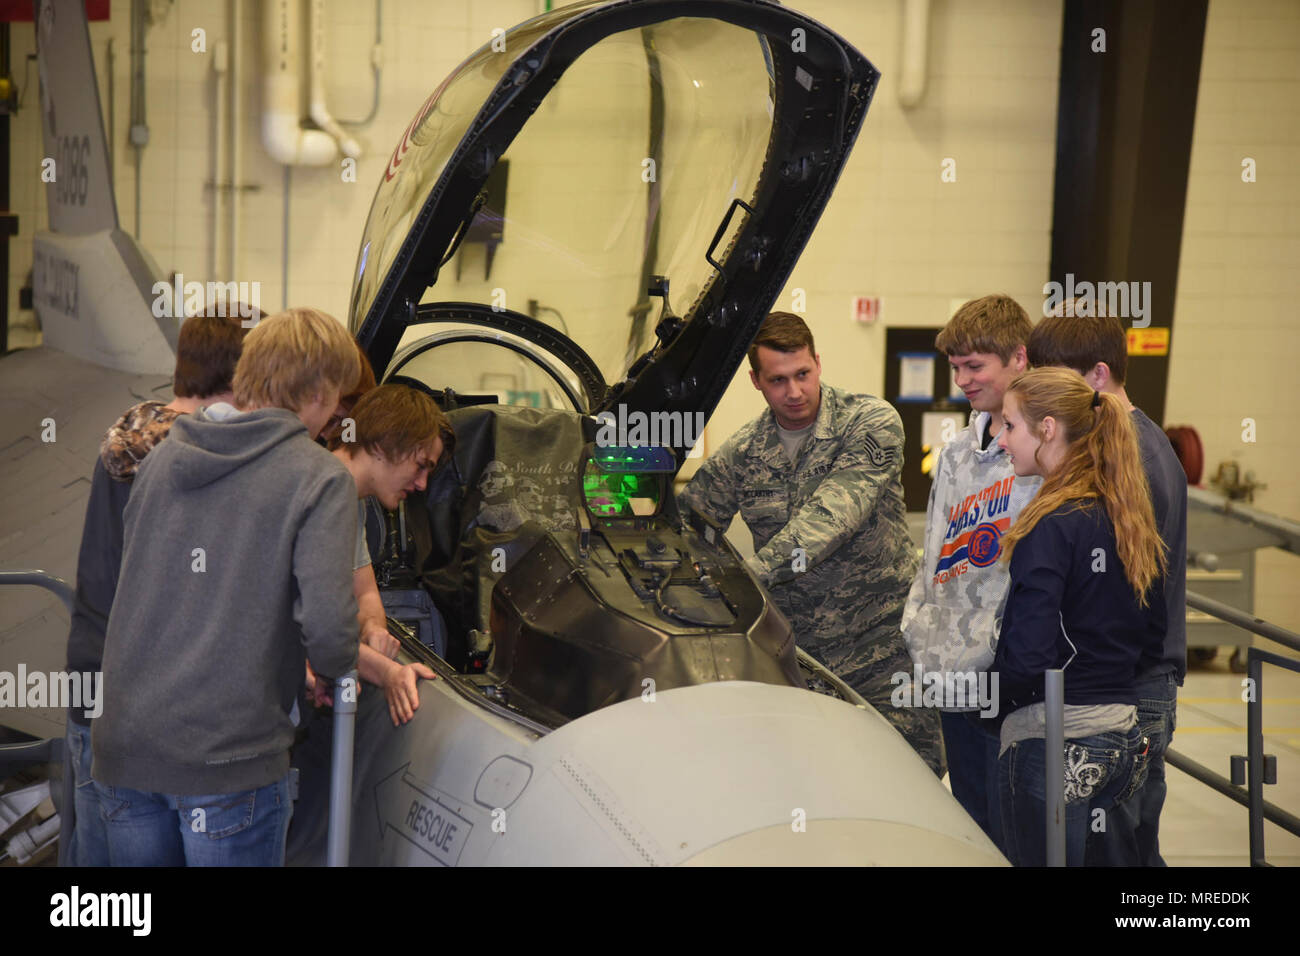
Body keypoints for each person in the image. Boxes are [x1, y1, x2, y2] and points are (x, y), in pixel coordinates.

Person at [92, 307, 362, 867]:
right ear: (319, 390)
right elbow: (331, 629)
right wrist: (332, 673)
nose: (337, 412)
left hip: (126, 750)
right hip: (226, 760)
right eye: (338, 395)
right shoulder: (318, 478)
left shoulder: (162, 460)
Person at [679, 312, 943, 775]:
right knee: (815, 786)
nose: (795, 392)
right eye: (778, 380)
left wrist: (747, 580)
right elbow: (688, 529)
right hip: (802, 662)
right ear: (755, 380)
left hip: (884, 648)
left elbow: (832, 518)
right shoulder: (741, 454)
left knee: (908, 777)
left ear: (818, 362)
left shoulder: (870, 422)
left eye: (803, 374)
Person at [63, 309, 252, 867]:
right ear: (239, 376)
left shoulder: (127, 434)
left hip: (91, 676)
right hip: (142, 699)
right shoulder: (196, 459)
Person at [1028, 305, 1187, 866]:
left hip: (1132, 687)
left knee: (1115, 852)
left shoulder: (1130, 458)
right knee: (1130, 847)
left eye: (1059, 380)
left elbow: (1120, 591)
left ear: (1098, 375)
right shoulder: (1139, 441)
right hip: (1137, 680)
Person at [993, 367, 1167, 866]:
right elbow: (1152, 634)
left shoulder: (1050, 525)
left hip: (1055, 743)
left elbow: (1027, 656)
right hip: (1121, 741)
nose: (1000, 439)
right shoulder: (1125, 512)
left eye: (1009, 426)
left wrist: (985, 702)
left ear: (1047, 428)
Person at [900, 294, 1041, 847]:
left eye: (973, 366)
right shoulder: (958, 449)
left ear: (1019, 360)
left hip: (1008, 672)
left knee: (1015, 829)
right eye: (954, 367)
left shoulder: (1041, 453)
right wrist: (920, 631)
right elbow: (935, 550)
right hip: (949, 667)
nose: (960, 379)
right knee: (972, 823)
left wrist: (1009, 657)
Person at [326, 383, 454, 726]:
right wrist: (385, 671)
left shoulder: (348, 502)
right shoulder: (316, 492)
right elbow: (310, 629)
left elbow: (365, 592)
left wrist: (372, 630)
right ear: (383, 444)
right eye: (420, 465)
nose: (422, 484)